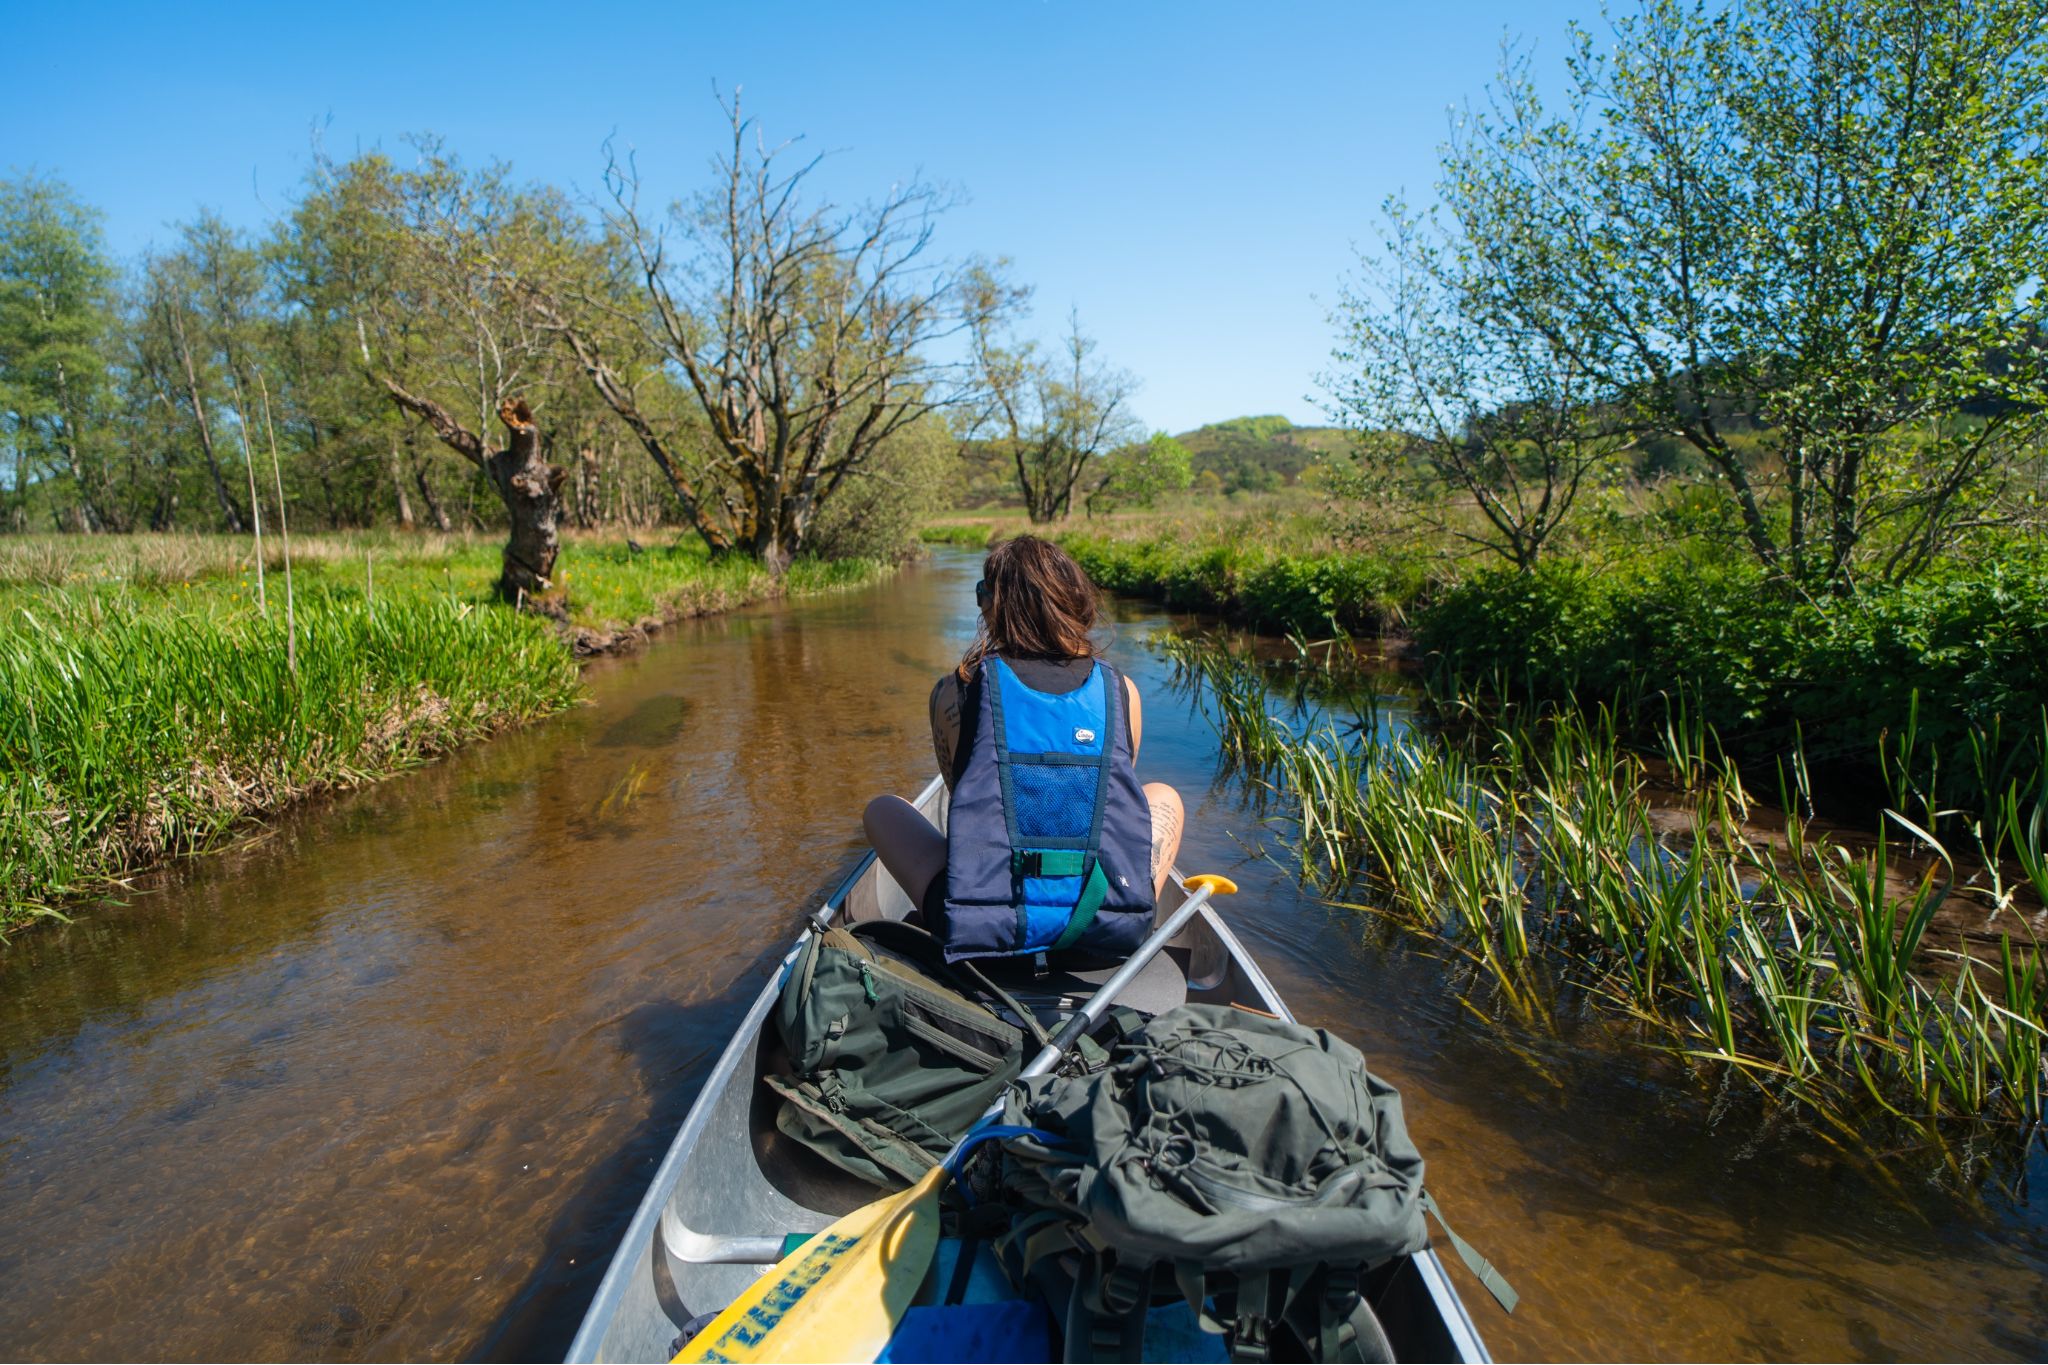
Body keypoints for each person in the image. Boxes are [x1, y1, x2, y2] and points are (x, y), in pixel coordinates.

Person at [864, 536, 1185, 963]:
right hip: (1105, 926)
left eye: (983, 595)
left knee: (882, 810)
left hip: (984, 929)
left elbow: (966, 800)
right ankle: (1131, 906)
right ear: (1074, 601)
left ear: (991, 606)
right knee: (1165, 797)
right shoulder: (1121, 690)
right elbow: (1112, 801)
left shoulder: (953, 692)